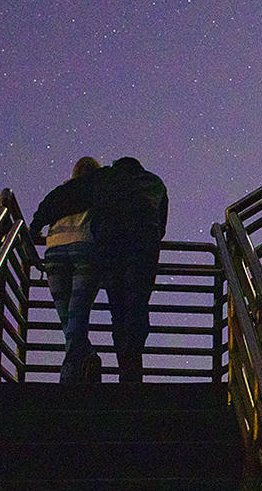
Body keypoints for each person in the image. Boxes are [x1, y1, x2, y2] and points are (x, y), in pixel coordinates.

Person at [29, 156, 167, 383]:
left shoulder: (104, 179)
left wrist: (36, 225)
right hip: (140, 249)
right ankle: (129, 372)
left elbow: (63, 197)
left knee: (113, 309)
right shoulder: (155, 182)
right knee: (134, 307)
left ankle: (85, 368)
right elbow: (160, 225)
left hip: (105, 247)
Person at [29, 156, 102, 383]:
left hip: (55, 251)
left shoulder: (59, 192)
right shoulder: (101, 188)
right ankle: (72, 373)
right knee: (77, 312)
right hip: (86, 247)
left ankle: (85, 359)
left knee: (67, 316)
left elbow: (39, 217)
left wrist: (34, 234)